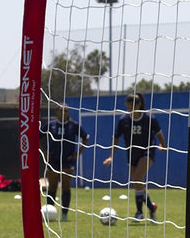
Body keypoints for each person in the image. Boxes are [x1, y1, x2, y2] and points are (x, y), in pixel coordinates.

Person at [103, 92, 167, 221]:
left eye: (134, 104)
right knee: (138, 182)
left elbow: (159, 134)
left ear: (139, 105)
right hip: (132, 153)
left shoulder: (149, 119)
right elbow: (116, 138)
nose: (131, 107)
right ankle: (151, 207)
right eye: (129, 104)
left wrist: (163, 145)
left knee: (137, 177)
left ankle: (139, 212)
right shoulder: (123, 120)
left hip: (147, 152)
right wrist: (111, 156)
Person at [40, 103, 90, 221]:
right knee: (52, 186)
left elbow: (86, 137)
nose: (64, 113)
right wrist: (44, 152)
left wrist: (78, 153)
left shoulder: (73, 125)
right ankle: (49, 213)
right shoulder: (51, 125)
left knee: (66, 187)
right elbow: (38, 136)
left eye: (66, 111)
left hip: (68, 160)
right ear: (57, 112)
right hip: (53, 159)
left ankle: (64, 215)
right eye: (61, 110)